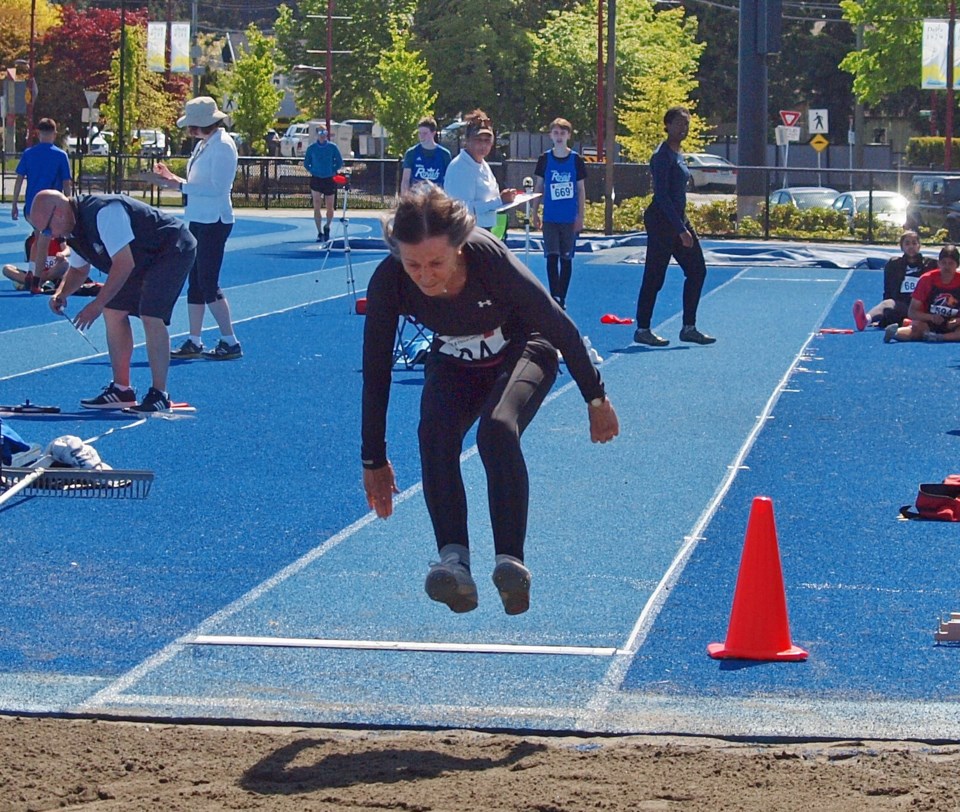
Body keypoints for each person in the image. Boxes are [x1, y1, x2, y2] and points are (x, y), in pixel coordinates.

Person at [361, 184, 619, 615]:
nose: (424, 275)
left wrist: (595, 397)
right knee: (434, 433)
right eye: (413, 265)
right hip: (456, 358)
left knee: (496, 430)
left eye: (436, 263)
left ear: (459, 248)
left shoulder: (488, 259)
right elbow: (376, 370)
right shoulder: (389, 280)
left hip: (523, 348)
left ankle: (510, 564)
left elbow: (559, 326)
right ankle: (454, 564)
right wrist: (373, 458)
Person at [28, 190, 196, 412]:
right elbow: (79, 271)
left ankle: (159, 394)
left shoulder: (104, 212)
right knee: (113, 311)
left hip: (170, 249)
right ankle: (122, 389)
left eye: (48, 229)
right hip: (139, 258)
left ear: (58, 212)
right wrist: (61, 293)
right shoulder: (71, 231)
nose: (50, 236)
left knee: (151, 315)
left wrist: (95, 305)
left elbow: (123, 264)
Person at [152, 96, 243, 361]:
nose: (189, 130)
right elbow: (198, 183)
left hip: (214, 220)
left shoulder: (223, 146)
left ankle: (230, 340)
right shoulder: (206, 145)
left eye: (192, 125)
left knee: (208, 281)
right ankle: (195, 339)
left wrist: (179, 186)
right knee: (195, 281)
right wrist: (173, 179)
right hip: (199, 218)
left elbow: (217, 188)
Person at [633, 106, 715, 347]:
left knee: (697, 270)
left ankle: (689, 327)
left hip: (678, 220)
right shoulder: (662, 156)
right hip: (662, 222)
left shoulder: (678, 155)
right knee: (654, 276)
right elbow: (662, 196)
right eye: (679, 123)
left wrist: (683, 225)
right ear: (667, 125)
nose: (683, 128)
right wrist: (681, 230)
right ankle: (642, 328)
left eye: (686, 124)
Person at [530, 118, 587, 309]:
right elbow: (539, 186)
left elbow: (580, 190)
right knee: (551, 256)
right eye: (556, 133)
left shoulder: (576, 160)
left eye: (563, 133)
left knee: (566, 257)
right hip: (550, 217)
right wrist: (535, 212)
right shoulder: (544, 159)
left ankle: (562, 295)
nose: (559, 136)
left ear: (569, 136)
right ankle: (554, 295)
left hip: (569, 218)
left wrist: (581, 216)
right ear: (550, 136)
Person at [10, 118, 73, 275]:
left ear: (38, 133)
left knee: (39, 239)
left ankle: (35, 273)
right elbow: (67, 184)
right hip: (53, 208)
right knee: (41, 241)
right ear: (54, 134)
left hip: (32, 207)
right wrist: (70, 206)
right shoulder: (60, 155)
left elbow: (18, 180)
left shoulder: (29, 154)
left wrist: (14, 203)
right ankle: (36, 275)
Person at [442, 110, 516, 230]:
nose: (483, 145)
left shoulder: (483, 165)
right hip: (466, 232)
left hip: (485, 230)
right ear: (467, 141)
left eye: (487, 140)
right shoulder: (460, 167)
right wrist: (499, 201)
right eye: (478, 140)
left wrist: (506, 199)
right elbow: (462, 209)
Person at [852, 230, 937, 330]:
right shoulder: (893, 264)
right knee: (887, 304)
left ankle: (908, 323)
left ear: (919, 246)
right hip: (902, 305)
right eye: (907, 243)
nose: (911, 247)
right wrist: (884, 315)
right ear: (902, 247)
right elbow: (887, 290)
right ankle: (866, 319)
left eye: (914, 243)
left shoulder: (930, 264)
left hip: (922, 307)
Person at [884, 244, 960, 344]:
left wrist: (958, 321)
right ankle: (894, 332)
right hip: (928, 323)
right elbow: (912, 312)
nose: (947, 267)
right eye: (943, 263)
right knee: (917, 329)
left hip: (954, 324)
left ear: (957, 265)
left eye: (951, 263)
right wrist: (931, 317)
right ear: (938, 263)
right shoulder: (927, 279)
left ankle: (941, 337)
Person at [303, 125, 344, 242]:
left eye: (324, 132)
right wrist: (313, 170)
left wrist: (332, 170)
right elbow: (306, 163)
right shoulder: (312, 148)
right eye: (320, 132)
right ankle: (319, 232)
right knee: (317, 204)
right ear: (316, 134)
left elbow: (339, 162)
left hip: (329, 179)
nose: (322, 134)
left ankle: (327, 226)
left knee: (330, 206)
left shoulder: (332, 147)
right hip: (316, 179)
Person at [400, 117, 452, 194]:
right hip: (417, 199)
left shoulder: (444, 154)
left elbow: (450, 180)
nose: (421, 136)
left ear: (433, 133)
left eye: (425, 133)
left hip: (437, 199)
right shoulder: (411, 153)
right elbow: (405, 180)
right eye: (419, 133)